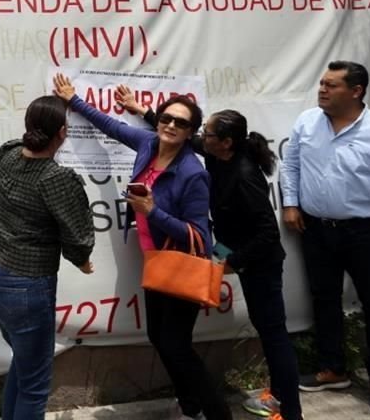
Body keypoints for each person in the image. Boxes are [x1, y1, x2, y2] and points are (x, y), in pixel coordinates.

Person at [53, 73, 233, 420]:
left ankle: (216, 413)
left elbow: (198, 234)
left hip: (181, 264)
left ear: (189, 132)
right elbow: (111, 127)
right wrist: (73, 100)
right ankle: (189, 406)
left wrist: (153, 211)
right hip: (155, 260)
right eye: (166, 118)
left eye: (180, 123)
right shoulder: (149, 144)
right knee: (159, 337)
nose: (170, 125)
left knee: (177, 346)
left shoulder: (193, 174)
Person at [116, 88, 302, 420]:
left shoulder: (245, 177)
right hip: (231, 247)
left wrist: (231, 260)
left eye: (208, 133)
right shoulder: (216, 155)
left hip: (260, 261)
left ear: (226, 142)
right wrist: (141, 110)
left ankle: (289, 408)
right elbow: (181, 132)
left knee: (272, 331)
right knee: (170, 337)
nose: (202, 137)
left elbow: (267, 234)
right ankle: (198, 405)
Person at [280, 61, 370, 419]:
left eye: (332, 85)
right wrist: (292, 202)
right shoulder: (307, 122)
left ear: (356, 91)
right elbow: (291, 164)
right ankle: (333, 368)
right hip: (315, 228)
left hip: (365, 232)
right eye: (322, 83)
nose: (322, 90)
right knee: (324, 298)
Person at [0, 94, 95, 420]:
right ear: (62, 132)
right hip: (25, 288)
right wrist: (81, 259)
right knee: (35, 385)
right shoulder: (55, 178)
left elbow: (12, 146)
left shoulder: (11, 156)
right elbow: (79, 235)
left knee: (25, 363)